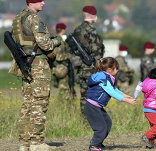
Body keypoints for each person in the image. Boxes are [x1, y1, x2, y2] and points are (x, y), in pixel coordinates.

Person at [9, 0, 61, 150]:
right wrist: (57, 41)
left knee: (27, 104)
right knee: (39, 103)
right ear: (32, 2)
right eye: (40, 1)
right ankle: (37, 143)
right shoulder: (34, 18)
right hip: (38, 64)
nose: (43, 3)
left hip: (25, 64)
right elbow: (44, 44)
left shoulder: (18, 18)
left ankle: (24, 143)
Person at [84, 57, 136, 151]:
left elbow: (114, 89)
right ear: (109, 69)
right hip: (92, 106)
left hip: (97, 106)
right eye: (116, 68)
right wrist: (126, 100)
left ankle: (98, 143)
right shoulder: (103, 78)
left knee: (108, 123)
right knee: (101, 128)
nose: (117, 70)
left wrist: (125, 95)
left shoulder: (107, 77)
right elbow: (111, 92)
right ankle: (94, 145)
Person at [72, 5, 105, 114]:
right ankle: (91, 120)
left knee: (83, 96)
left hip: (80, 69)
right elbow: (96, 51)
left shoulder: (77, 29)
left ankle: (84, 120)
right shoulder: (91, 30)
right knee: (93, 96)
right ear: (92, 15)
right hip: (91, 68)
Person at [52, 23, 75, 102]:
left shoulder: (54, 39)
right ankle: (63, 106)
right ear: (63, 30)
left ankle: (62, 105)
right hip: (62, 69)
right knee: (64, 89)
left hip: (56, 69)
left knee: (62, 88)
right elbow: (58, 56)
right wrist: (69, 55)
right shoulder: (59, 41)